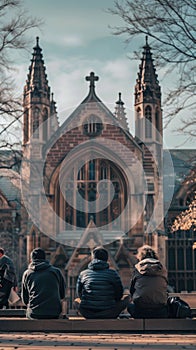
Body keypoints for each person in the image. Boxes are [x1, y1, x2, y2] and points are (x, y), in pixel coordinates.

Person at [75, 246, 130, 319]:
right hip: (109, 313)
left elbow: (79, 294)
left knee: (76, 301)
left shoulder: (83, 274)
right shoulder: (113, 273)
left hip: (88, 313)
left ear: (92, 258)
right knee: (127, 297)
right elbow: (119, 294)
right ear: (106, 259)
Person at [21, 247, 65, 319]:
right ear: (45, 258)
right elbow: (62, 294)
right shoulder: (56, 271)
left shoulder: (27, 273)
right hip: (54, 313)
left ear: (31, 259)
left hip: (34, 313)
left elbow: (25, 300)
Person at [127, 245, 168, 318]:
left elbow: (132, 289)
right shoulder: (162, 269)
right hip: (160, 310)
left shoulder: (137, 268)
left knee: (130, 306)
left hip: (141, 310)